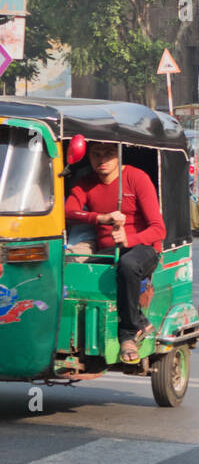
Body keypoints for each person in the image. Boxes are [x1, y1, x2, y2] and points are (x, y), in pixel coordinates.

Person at [65, 141, 166, 363]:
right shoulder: (86, 183)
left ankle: (129, 334)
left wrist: (130, 238)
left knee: (128, 265)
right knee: (69, 267)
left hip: (143, 249)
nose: (102, 160)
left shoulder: (136, 178)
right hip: (108, 249)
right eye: (96, 154)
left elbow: (159, 229)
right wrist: (100, 218)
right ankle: (140, 318)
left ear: (119, 155)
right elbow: (68, 211)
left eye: (108, 154)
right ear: (88, 156)